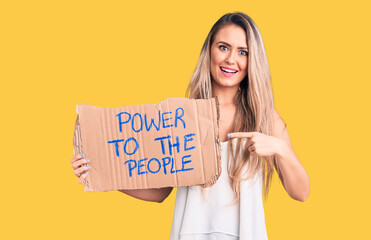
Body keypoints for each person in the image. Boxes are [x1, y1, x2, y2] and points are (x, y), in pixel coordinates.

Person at [70, 12, 310, 240]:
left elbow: (301, 192)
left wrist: (280, 148)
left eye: (243, 52)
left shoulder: (265, 118)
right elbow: (160, 192)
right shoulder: (182, 117)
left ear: (252, 60)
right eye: (223, 47)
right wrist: (101, 173)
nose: (231, 59)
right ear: (210, 51)